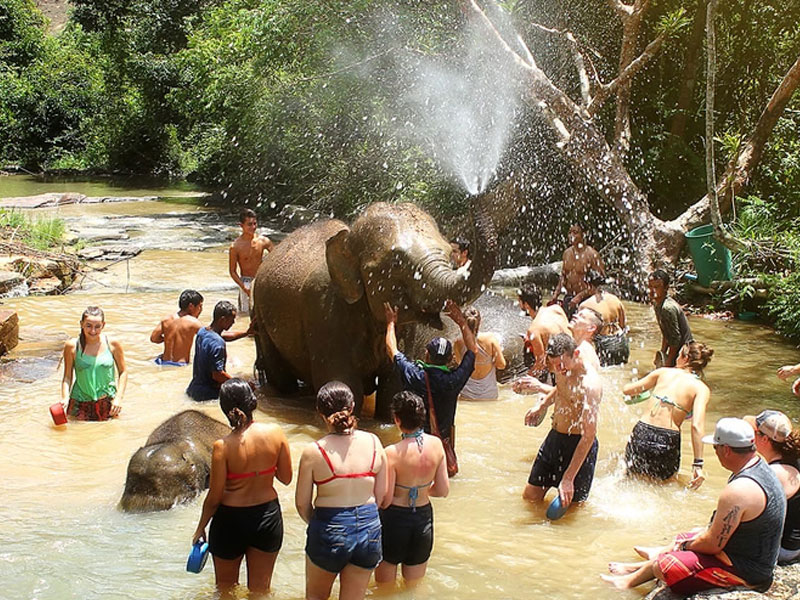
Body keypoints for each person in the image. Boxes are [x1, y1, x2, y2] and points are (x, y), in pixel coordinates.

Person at [602, 418, 786, 594]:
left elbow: (713, 545)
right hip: (750, 556)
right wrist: (685, 542)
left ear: (727, 450)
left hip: (746, 571)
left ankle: (633, 578)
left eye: (715, 448)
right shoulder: (761, 467)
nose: (715, 452)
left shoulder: (738, 490)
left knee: (666, 565)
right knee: (685, 536)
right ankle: (638, 569)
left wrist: (683, 547)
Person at [192, 378, 292, 595]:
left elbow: (215, 497)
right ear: (252, 402)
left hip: (230, 522)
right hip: (267, 517)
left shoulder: (222, 447)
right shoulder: (276, 433)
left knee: (226, 590)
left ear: (225, 409)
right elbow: (286, 478)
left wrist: (200, 527)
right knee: (260, 591)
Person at [295, 381, 387, 600]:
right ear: (352, 406)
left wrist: (319, 524)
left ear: (319, 411)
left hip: (329, 526)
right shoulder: (374, 442)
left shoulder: (314, 452)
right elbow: (381, 497)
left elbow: (301, 504)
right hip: (369, 528)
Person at [384, 299, 476, 472]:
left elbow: (392, 350)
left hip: (413, 446)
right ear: (450, 359)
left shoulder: (414, 375)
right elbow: (473, 350)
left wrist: (390, 323)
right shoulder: (454, 380)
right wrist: (462, 322)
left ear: (426, 356)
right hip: (442, 447)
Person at [375, 391, 449, 587]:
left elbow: (386, 499)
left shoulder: (391, 453)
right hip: (423, 519)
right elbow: (443, 490)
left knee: (384, 588)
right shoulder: (437, 445)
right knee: (414, 587)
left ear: (397, 419)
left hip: (395, 521)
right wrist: (422, 491)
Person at [523, 333, 602, 510]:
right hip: (555, 439)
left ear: (575, 353)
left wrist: (568, 478)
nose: (558, 370)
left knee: (571, 514)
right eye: (554, 365)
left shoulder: (590, 384)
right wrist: (542, 405)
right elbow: (561, 389)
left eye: (561, 364)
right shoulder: (562, 367)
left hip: (579, 446)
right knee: (530, 498)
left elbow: (589, 436)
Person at [622, 342, 714, 488]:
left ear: (685, 358)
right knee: (665, 487)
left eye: (679, 355)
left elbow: (627, 390)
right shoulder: (701, 389)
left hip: (642, 431)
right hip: (667, 438)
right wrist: (698, 464)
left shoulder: (663, 372)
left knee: (631, 481)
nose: (677, 358)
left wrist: (648, 392)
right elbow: (696, 426)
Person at [744, 410, 800, 564]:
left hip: (784, 550)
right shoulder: (794, 459)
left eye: (754, 432)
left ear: (764, 439)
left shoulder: (775, 473)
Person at [512, 306, 600, 395]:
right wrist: (542, 405)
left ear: (591, 328)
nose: (575, 315)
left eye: (582, 316)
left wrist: (539, 387)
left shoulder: (582, 355)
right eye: (577, 313)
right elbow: (563, 388)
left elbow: (576, 396)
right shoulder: (573, 349)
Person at [60, 306, 128, 421]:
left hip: (108, 402)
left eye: (97, 327)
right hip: (79, 403)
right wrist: (65, 398)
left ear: (103, 325)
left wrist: (118, 398)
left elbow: (123, 372)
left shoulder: (113, 344)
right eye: (88, 326)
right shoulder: (72, 346)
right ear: (81, 324)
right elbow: (67, 377)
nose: (93, 331)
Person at [186, 301, 251, 401]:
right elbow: (217, 374)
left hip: (193, 389)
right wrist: (242, 385)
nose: (233, 322)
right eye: (232, 319)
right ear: (222, 320)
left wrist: (246, 333)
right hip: (208, 394)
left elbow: (222, 337)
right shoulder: (218, 344)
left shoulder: (203, 332)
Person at [517, 283, 570, 383]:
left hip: (561, 372)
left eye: (519, 301)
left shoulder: (534, 329)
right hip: (575, 360)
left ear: (526, 305)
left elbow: (541, 365)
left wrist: (525, 379)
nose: (518, 304)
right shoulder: (556, 309)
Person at [551, 224, 605, 320]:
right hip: (569, 298)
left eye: (575, 233)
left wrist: (579, 297)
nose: (571, 235)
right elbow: (563, 276)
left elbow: (599, 285)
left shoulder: (592, 255)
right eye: (570, 232)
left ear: (583, 234)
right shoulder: (567, 253)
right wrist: (556, 294)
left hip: (586, 300)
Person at [453, 305, 506, 401]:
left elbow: (460, 364)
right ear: (480, 322)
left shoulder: (458, 342)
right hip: (489, 396)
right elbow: (501, 365)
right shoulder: (490, 339)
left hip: (467, 395)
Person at [230, 207, 274, 317]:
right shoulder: (235, 246)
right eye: (249, 224)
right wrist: (244, 287)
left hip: (261, 279)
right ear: (241, 225)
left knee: (265, 313)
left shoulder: (264, 241)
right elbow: (232, 271)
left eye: (255, 223)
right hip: (245, 281)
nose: (253, 227)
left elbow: (277, 258)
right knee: (245, 315)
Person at [579, 270, 629, 366]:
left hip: (605, 346)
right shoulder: (615, 299)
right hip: (621, 343)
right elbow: (623, 326)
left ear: (587, 285)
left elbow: (583, 335)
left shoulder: (585, 305)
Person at [649, 269, 693, 368]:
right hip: (679, 351)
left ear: (666, 288)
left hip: (685, 353)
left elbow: (675, 340)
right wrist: (662, 353)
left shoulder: (667, 308)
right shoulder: (657, 304)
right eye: (650, 286)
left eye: (656, 287)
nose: (652, 291)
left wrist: (668, 364)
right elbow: (667, 332)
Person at [150, 289, 204, 365]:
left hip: (163, 362)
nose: (201, 310)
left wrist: (167, 339)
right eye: (200, 306)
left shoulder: (166, 319)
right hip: (180, 365)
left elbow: (154, 338)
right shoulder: (193, 322)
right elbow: (210, 337)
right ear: (191, 306)